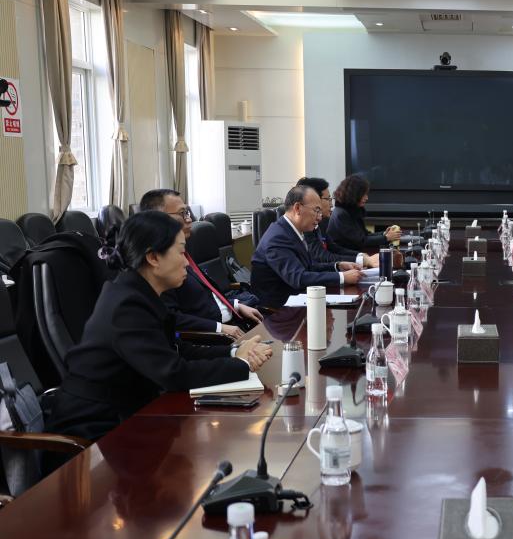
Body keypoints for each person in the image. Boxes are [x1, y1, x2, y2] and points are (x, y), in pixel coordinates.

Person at [47, 211, 272, 441]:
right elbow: (173, 374)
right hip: (96, 431)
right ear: (153, 257)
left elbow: (177, 349)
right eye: (181, 252)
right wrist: (243, 364)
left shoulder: (141, 293)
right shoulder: (127, 305)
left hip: (131, 415)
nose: (187, 262)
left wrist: (234, 351)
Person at [140, 188, 263, 341]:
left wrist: (236, 305)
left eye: (188, 212)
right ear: (158, 218)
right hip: (213, 337)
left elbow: (206, 298)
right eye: (182, 213)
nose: (189, 219)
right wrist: (220, 329)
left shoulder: (183, 252)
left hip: (233, 322)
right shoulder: (160, 264)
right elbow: (171, 318)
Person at [251, 185, 364, 307]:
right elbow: (298, 277)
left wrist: (337, 266)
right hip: (278, 310)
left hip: (297, 299)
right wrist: (342, 277)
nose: (319, 217)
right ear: (298, 208)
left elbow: (309, 267)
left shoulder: (290, 231)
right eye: (316, 210)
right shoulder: (277, 238)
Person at [295, 177, 381, 268]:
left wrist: (360, 256)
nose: (331, 204)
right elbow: (321, 257)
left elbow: (334, 248)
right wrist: (362, 260)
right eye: (328, 199)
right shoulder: (304, 227)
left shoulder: (322, 222)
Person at [327, 175, 401, 253]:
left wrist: (384, 234)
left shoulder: (351, 210)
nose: (367, 198)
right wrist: (386, 238)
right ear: (354, 194)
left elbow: (365, 235)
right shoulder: (341, 214)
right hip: (345, 257)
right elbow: (361, 241)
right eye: (364, 194)